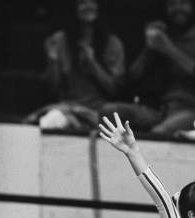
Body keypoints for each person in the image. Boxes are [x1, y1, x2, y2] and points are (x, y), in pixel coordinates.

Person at [102, 0, 195, 135]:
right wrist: (149, 47)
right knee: (108, 112)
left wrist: (168, 48)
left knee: (159, 134)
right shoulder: (165, 33)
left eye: (183, 3)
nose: (177, 8)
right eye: (171, 4)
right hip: (159, 109)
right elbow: (132, 79)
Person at [27, 0, 125, 130]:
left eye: (92, 2)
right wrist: (54, 61)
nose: (88, 6)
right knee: (50, 121)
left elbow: (115, 91)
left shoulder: (113, 43)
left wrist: (93, 65)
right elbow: (53, 90)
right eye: (82, 2)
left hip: (99, 113)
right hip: (67, 108)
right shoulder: (60, 40)